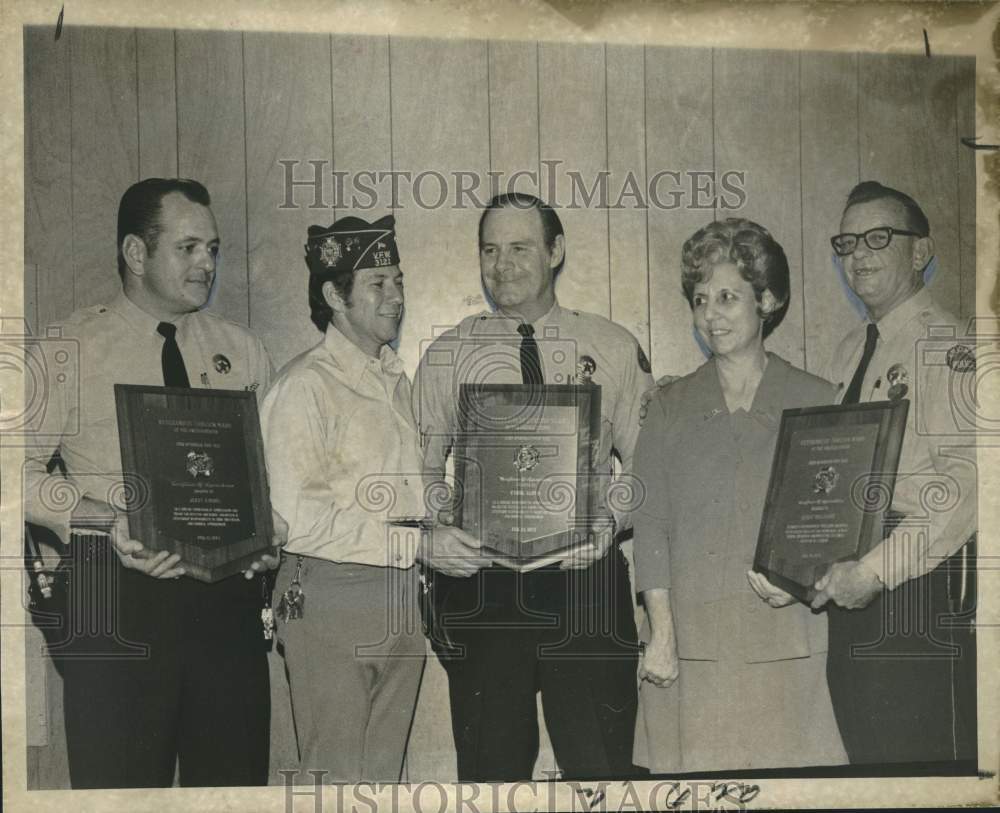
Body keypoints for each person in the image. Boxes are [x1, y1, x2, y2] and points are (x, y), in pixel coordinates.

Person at [23, 178, 283, 788]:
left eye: (213, 249)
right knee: (120, 789)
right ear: (136, 254)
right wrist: (102, 521)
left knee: (232, 788)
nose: (206, 264)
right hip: (112, 595)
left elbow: (270, 477)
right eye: (189, 247)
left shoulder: (240, 350)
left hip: (224, 602)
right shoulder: (70, 348)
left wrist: (268, 534)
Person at [411, 192, 653, 781]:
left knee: (601, 769)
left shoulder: (613, 347)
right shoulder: (447, 356)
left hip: (585, 577)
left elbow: (648, 469)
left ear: (556, 251)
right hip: (485, 586)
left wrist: (606, 525)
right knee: (492, 775)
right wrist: (447, 526)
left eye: (520, 247)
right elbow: (416, 473)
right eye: (489, 250)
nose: (502, 265)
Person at [260, 215, 480, 782]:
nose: (396, 297)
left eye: (399, 281)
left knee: (383, 778)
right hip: (332, 596)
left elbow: (401, 492)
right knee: (335, 776)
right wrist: (422, 544)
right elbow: (297, 520)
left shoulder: (392, 379)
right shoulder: (304, 386)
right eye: (378, 284)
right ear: (335, 296)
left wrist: (455, 510)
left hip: (401, 596)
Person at [633, 218, 847, 772]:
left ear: (768, 300)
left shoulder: (818, 399)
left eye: (728, 297)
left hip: (786, 637)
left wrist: (803, 583)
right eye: (700, 299)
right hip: (693, 645)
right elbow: (651, 526)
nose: (710, 314)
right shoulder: (667, 406)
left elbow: (835, 524)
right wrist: (661, 636)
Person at [814, 181, 977, 765]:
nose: (859, 253)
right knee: (867, 760)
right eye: (848, 241)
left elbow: (964, 489)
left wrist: (877, 572)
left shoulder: (956, 347)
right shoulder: (846, 350)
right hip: (851, 582)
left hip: (913, 588)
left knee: (917, 767)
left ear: (920, 252)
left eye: (879, 237)